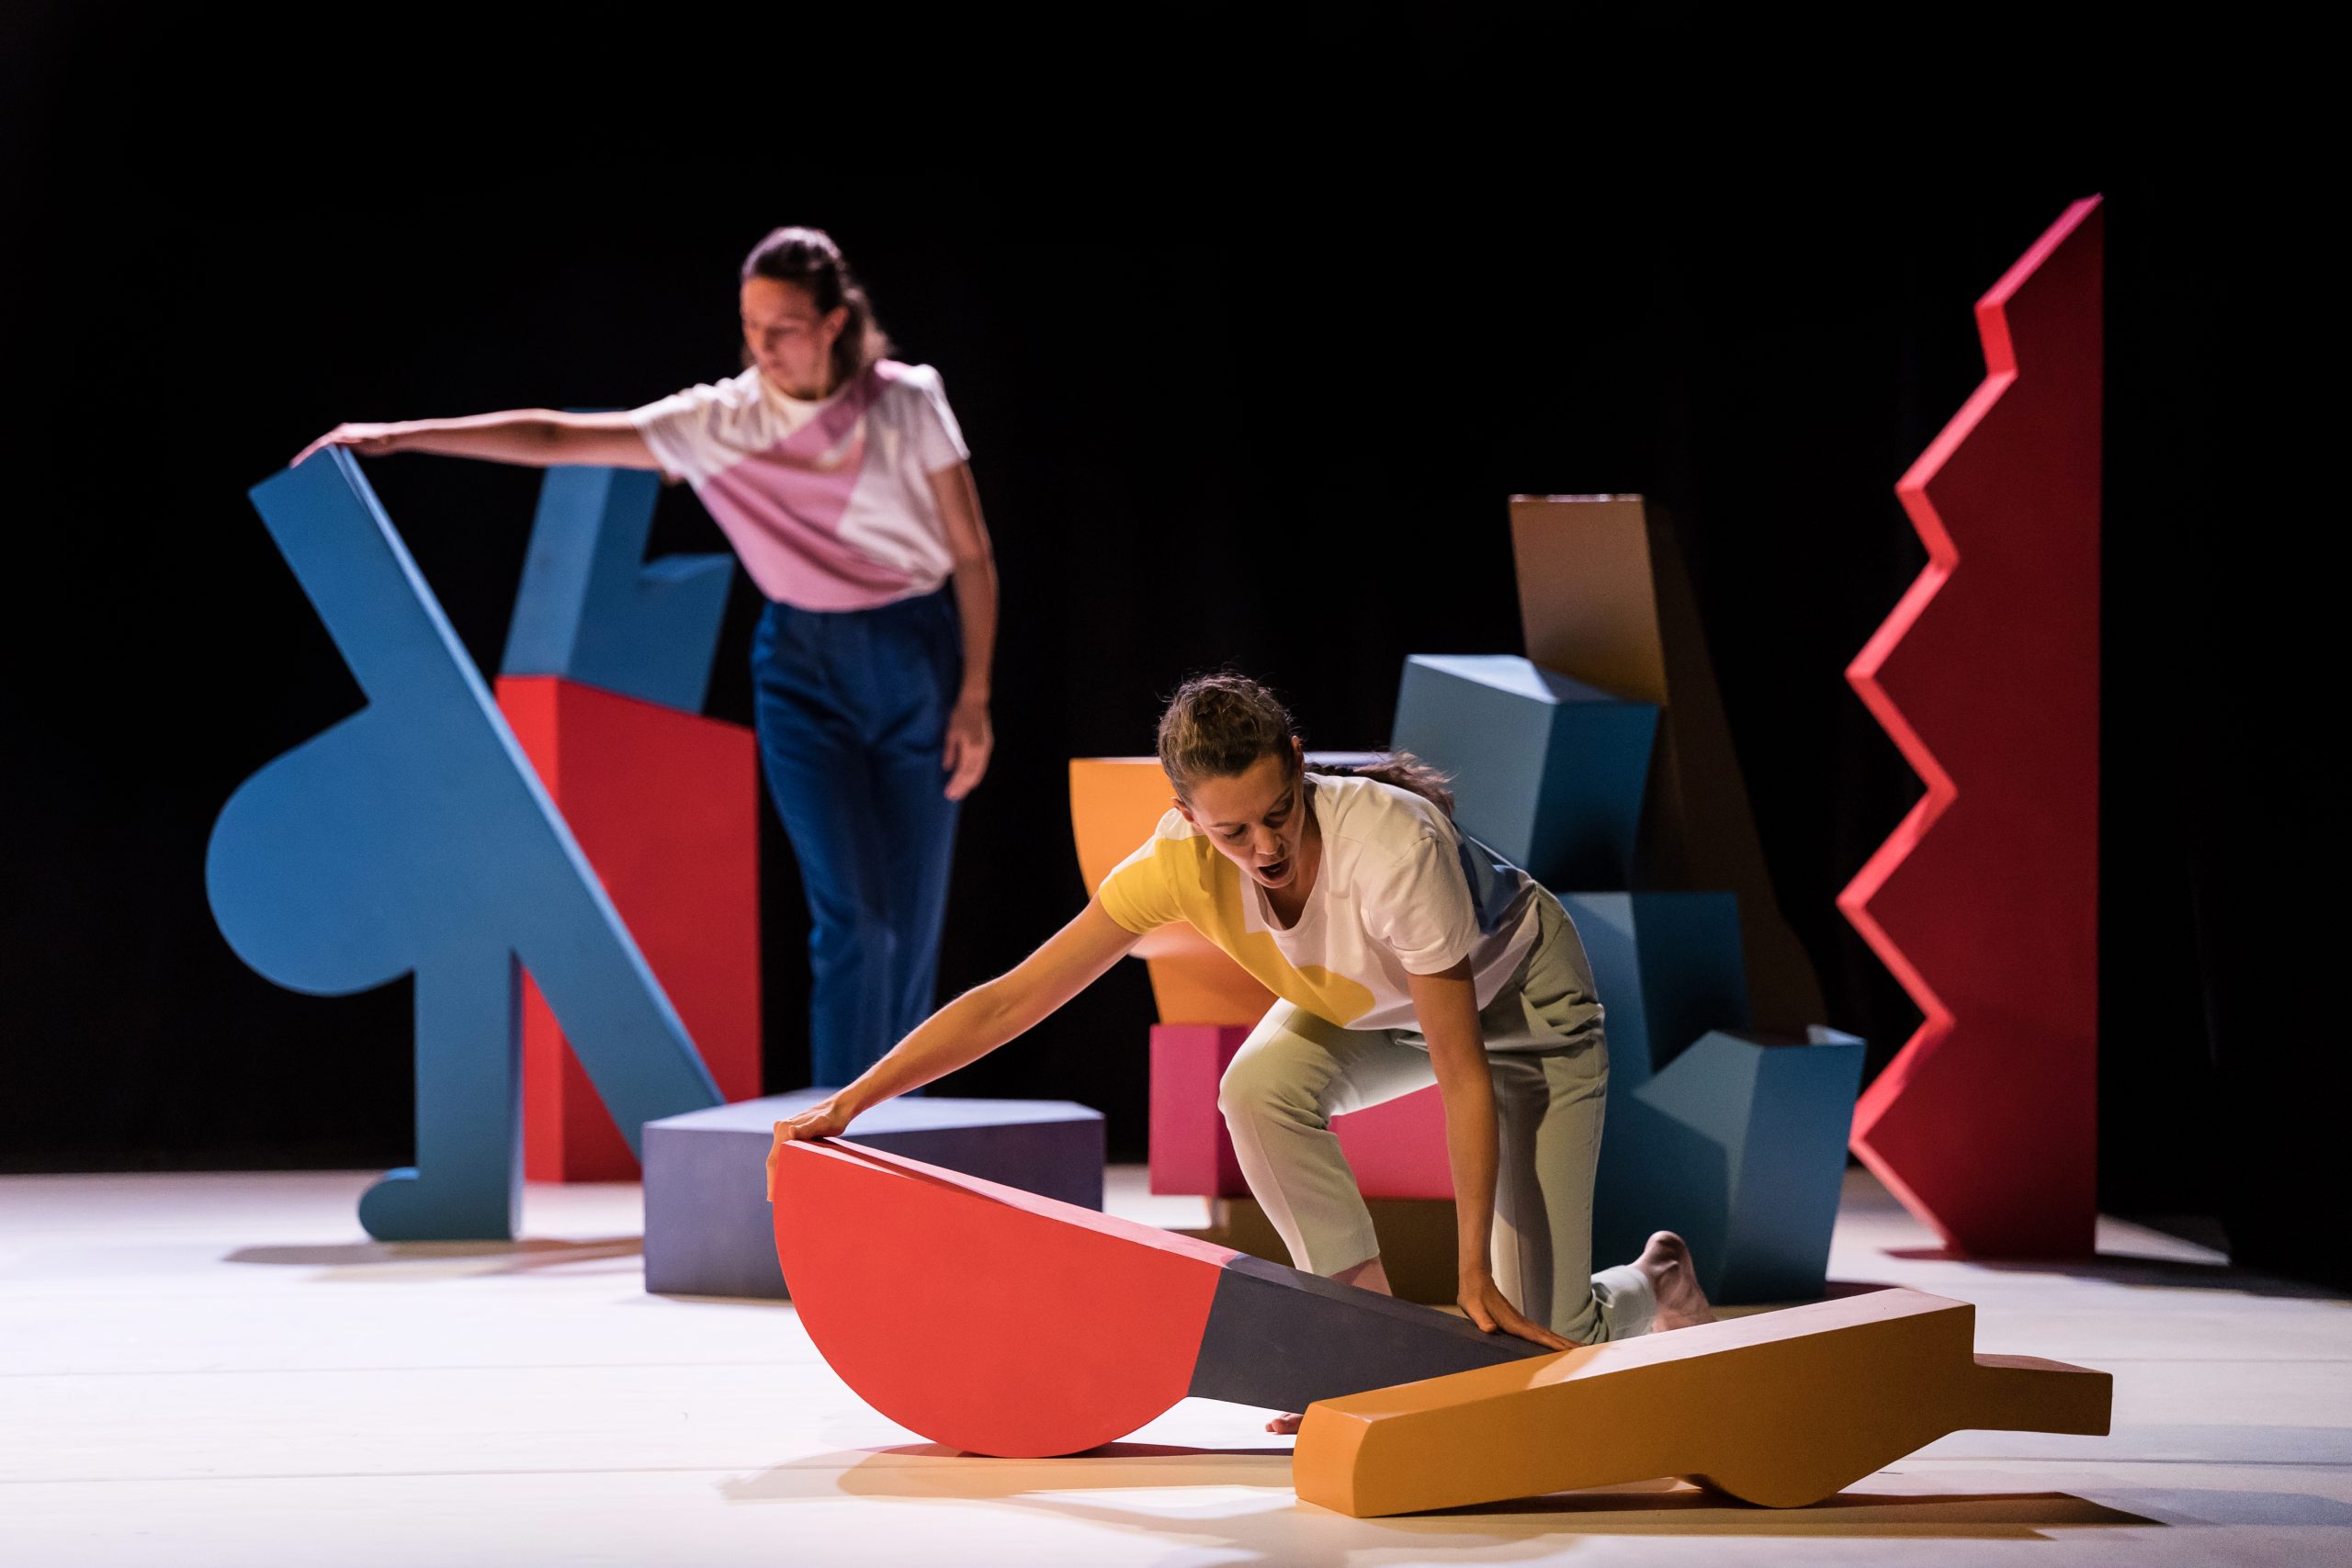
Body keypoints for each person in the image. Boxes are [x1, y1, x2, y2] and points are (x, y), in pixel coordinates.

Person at [768, 672, 1713, 1427]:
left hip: (1521, 1011)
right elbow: (1014, 999)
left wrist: (1470, 1275)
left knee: (1538, 1331)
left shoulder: (1390, 848)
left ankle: (1656, 1277)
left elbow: (1462, 1072)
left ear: (1297, 763)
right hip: (1367, 1006)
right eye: (1231, 830)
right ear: (1185, 815)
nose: (1264, 847)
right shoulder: (1170, 867)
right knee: (1258, 1087)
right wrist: (855, 1100)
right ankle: (1355, 1344)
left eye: (1278, 812)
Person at [295, 226, 998, 1089]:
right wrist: (402, 436)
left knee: (907, 923)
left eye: (782, 326)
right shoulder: (721, 421)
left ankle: (906, 1123)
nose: (762, 346)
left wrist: (974, 695)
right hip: (800, 666)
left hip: (912, 653)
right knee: (852, 917)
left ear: (834, 322)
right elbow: (561, 438)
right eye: (750, 326)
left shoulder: (906, 401)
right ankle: (843, 1137)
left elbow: (971, 554)